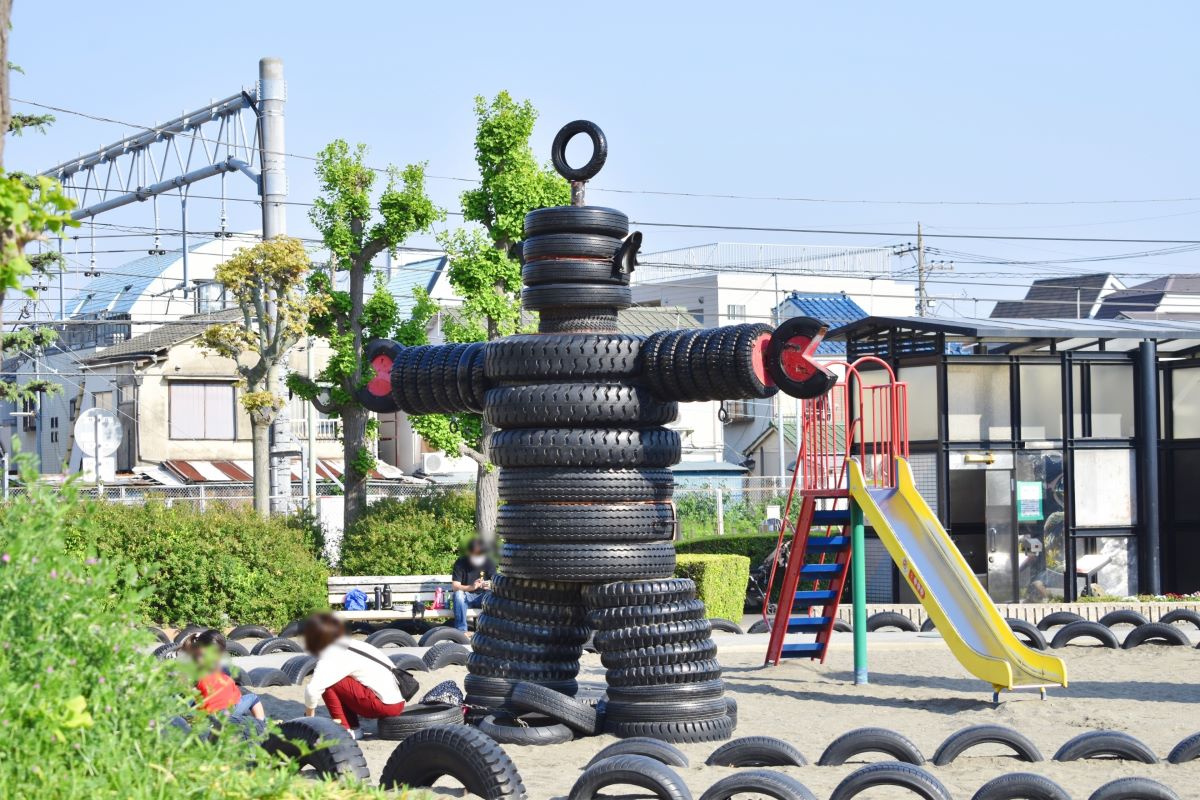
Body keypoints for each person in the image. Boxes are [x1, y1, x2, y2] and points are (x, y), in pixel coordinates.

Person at [302, 612, 406, 737]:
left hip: (385, 705)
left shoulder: (330, 653)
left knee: (328, 684)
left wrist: (309, 718)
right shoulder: (355, 644)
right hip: (399, 702)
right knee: (340, 680)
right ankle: (353, 727)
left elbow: (312, 690)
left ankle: (346, 729)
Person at [180, 629, 265, 721]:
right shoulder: (223, 669)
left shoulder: (194, 670)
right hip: (231, 711)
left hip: (208, 714)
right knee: (253, 698)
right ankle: (261, 722)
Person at [450, 538, 495, 633]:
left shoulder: (488, 562)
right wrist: (472, 587)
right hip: (467, 597)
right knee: (458, 595)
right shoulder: (461, 563)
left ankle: (492, 630)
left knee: (494, 595)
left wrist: (490, 584)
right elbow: (455, 586)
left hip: (483, 596)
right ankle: (461, 631)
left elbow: (495, 581)